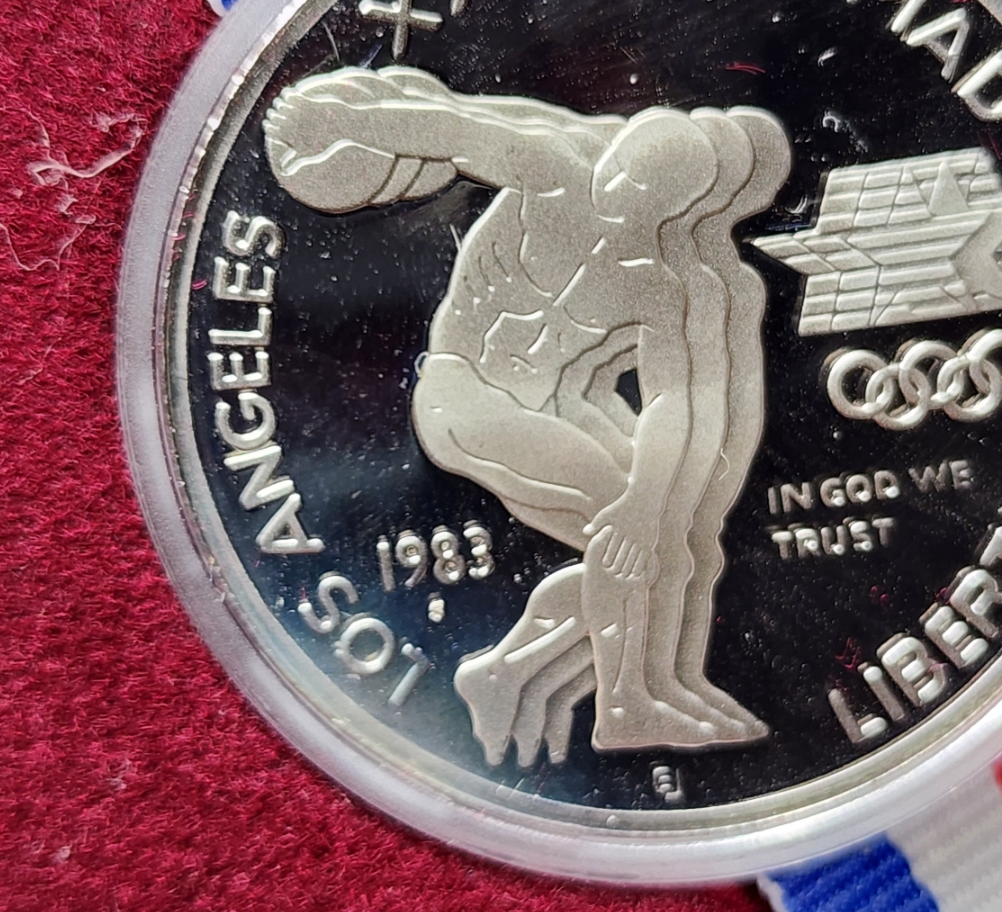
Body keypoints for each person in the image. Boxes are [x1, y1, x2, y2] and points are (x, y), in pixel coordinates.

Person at [266, 67, 790, 764]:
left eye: (651, 196)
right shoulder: (555, 166)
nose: (623, 197)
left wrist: (652, 507)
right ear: (617, 152)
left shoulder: (675, 283)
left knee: (677, 540)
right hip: (464, 394)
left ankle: (539, 674)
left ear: (688, 208)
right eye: (626, 174)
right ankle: (625, 707)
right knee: (620, 527)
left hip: (557, 405)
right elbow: (453, 129)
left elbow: (686, 404)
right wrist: (338, 123)